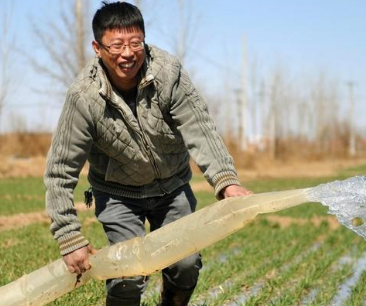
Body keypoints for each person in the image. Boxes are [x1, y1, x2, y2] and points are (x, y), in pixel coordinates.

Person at [44, 2, 252, 305]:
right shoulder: (83, 96)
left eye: (135, 43)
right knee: (126, 276)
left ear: (144, 39)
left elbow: (199, 129)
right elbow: (60, 170)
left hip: (173, 188)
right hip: (117, 194)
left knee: (185, 266)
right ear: (97, 48)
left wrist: (226, 181)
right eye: (116, 45)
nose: (128, 53)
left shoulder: (168, 73)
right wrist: (68, 237)